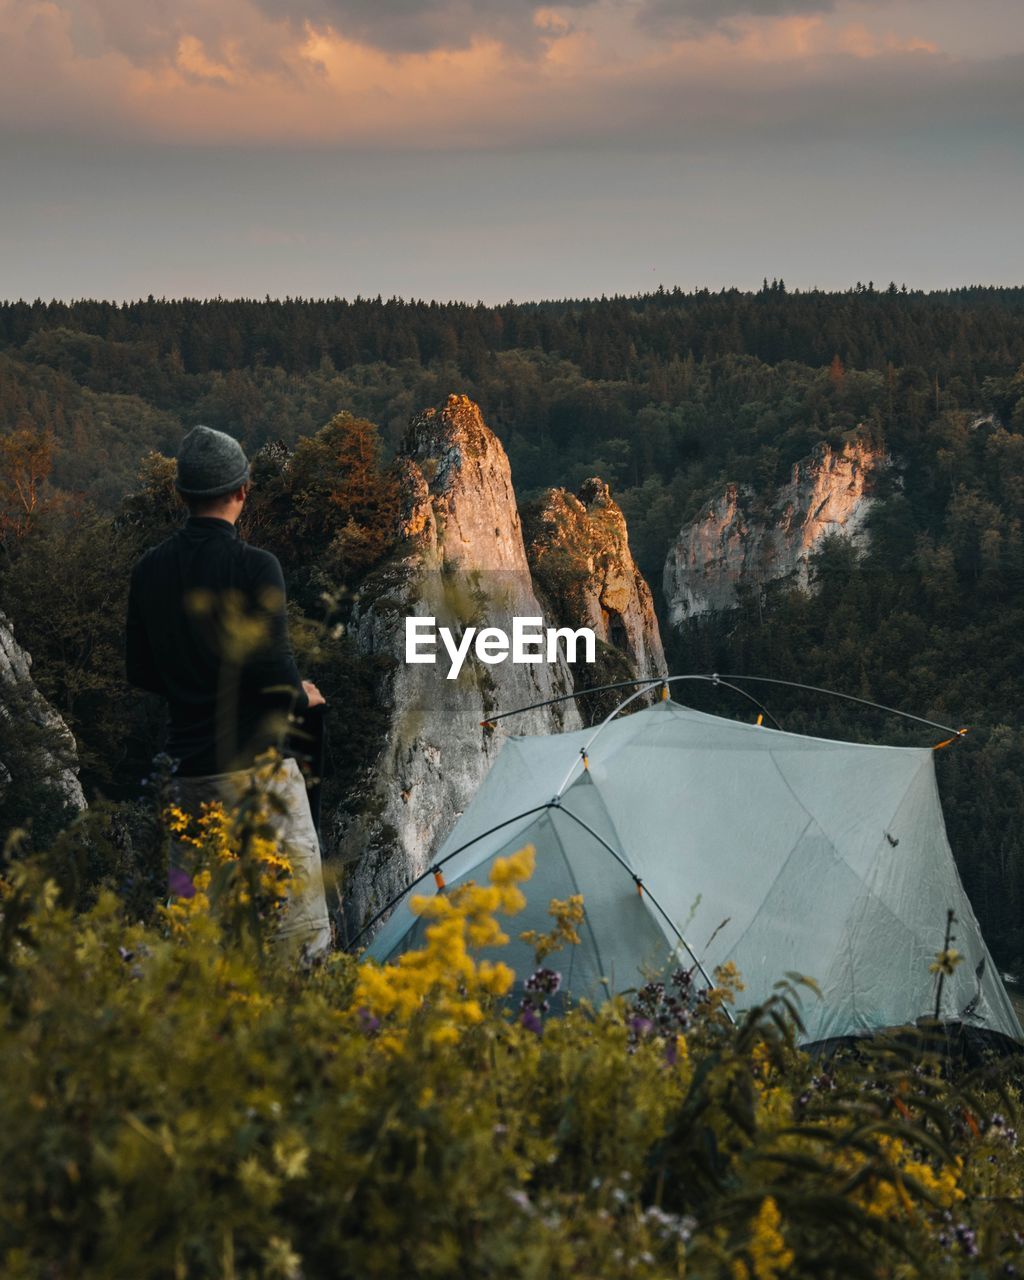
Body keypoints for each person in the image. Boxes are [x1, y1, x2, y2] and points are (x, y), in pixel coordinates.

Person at [126, 424, 332, 960]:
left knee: (203, 948)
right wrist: (303, 695)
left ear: (181, 496)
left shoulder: (149, 571)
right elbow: (276, 679)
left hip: (188, 782)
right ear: (244, 490)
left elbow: (142, 672)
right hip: (257, 780)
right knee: (295, 944)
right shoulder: (254, 566)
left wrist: (194, 681)